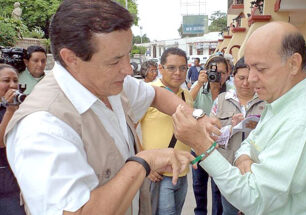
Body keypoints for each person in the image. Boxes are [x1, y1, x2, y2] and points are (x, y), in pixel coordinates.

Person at [4, 1, 217, 214]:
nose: (127, 69)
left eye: (128, 54)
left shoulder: (110, 82)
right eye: (115, 61)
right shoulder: (43, 127)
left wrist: (198, 117)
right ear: (71, 58)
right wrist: (144, 162)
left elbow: (157, 95)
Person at [173, 21, 306, 215]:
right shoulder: (280, 102)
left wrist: (201, 144)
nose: (251, 79)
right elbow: (249, 144)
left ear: (294, 64)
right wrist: (245, 159)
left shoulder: (303, 119)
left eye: (260, 69)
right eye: (248, 68)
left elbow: (254, 198)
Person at [140, 47, 193, 215]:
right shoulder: (148, 93)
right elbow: (130, 129)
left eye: (182, 68)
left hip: (182, 173)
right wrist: (144, 163)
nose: (178, 72)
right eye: (171, 68)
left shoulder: (187, 95)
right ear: (161, 68)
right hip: (158, 174)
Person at [210, 57, 265, 215]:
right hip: (229, 169)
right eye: (241, 78)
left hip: (257, 169)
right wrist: (229, 127)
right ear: (233, 77)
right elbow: (211, 135)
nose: (245, 83)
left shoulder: (266, 102)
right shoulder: (221, 101)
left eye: (249, 78)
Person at [189, 54, 233, 215]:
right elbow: (184, 103)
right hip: (199, 145)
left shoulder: (231, 91)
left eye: (222, 73)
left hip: (221, 147)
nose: (218, 76)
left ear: (228, 73)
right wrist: (199, 83)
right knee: (198, 185)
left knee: (218, 187)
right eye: (214, 72)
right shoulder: (199, 87)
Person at [0, 64, 25, 215]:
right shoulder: (11, 109)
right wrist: (10, 110)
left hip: (15, 186)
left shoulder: (22, 106)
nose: (12, 85)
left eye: (15, 80)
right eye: (6, 80)